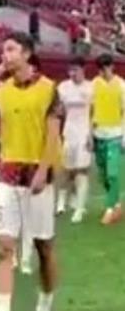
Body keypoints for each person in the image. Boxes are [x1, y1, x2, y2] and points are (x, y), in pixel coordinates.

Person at [0, 32, 61, 311]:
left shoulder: (48, 89)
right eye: (3, 50)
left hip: (37, 176)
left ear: (27, 53)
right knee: (4, 247)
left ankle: (45, 302)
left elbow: (53, 135)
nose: (4, 55)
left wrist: (43, 169)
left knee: (43, 247)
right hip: (8, 175)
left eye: (11, 49)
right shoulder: (3, 92)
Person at [56, 57, 93, 223]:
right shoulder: (63, 87)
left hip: (84, 134)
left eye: (75, 70)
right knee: (66, 170)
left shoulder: (90, 88)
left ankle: (79, 208)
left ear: (83, 70)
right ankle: (61, 201)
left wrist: (91, 134)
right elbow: (59, 111)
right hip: (68, 133)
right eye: (70, 70)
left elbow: (94, 112)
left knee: (82, 170)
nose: (72, 73)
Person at [91, 54, 125, 225]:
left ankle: (110, 209)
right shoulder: (95, 84)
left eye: (104, 68)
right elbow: (90, 109)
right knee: (103, 174)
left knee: (112, 173)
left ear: (111, 67)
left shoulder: (121, 85)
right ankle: (117, 204)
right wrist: (89, 133)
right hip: (99, 135)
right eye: (100, 69)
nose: (102, 72)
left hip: (115, 134)